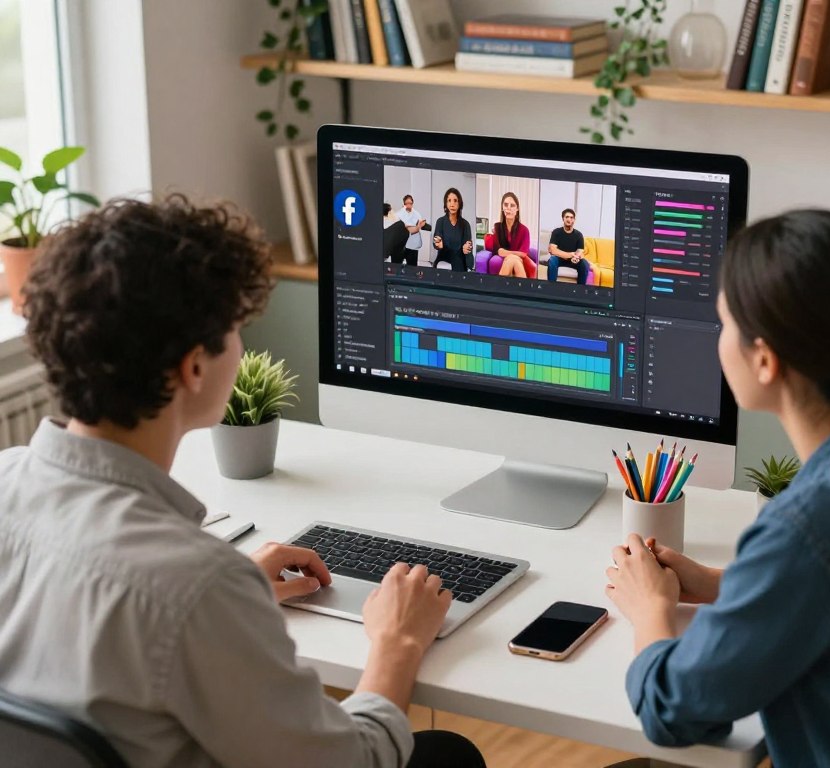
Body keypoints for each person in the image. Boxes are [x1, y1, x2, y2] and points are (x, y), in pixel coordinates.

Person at [0, 196, 486, 768]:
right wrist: (398, 641)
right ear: (194, 367)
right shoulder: (194, 584)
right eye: (234, 329)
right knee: (446, 755)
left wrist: (230, 600)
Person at [604, 210, 830, 768]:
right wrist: (729, 585)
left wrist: (651, 609)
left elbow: (671, 710)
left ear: (765, 359)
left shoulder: (809, 527)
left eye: (724, 323)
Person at [490, 192, 532, 278]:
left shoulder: (525, 230)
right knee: (513, 259)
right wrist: (515, 255)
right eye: (505, 205)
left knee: (512, 259)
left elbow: (523, 254)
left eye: (512, 205)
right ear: (502, 208)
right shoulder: (497, 227)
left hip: (518, 261)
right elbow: (498, 251)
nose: (508, 208)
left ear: (517, 209)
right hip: (516, 260)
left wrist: (509, 254)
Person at [433, 187, 473, 272]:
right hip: (444, 257)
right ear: (446, 204)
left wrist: (467, 249)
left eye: (455, 200)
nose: (452, 204)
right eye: (449, 201)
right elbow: (437, 238)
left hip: (459, 261)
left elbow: (468, 246)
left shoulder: (465, 225)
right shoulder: (440, 222)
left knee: (458, 261)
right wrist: (438, 244)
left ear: (459, 203)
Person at [547, 208, 590, 284]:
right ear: (563, 218)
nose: (569, 219)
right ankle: (551, 288)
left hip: (573, 260)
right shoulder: (556, 232)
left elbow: (580, 251)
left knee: (585, 264)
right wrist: (570, 254)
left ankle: (580, 290)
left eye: (571, 217)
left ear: (574, 220)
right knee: (552, 260)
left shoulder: (579, 235)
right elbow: (553, 250)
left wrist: (576, 257)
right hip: (559, 259)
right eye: (567, 217)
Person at [396, 193, 427, 266]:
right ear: (404, 204)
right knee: (397, 266)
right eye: (407, 203)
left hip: (413, 244)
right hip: (400, 244)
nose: (409, 205)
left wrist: (419, 225)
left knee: (412, 268)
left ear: (412, 203)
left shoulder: (417, 214)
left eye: (410, 203)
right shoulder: (398, 214)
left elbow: (419, 226)